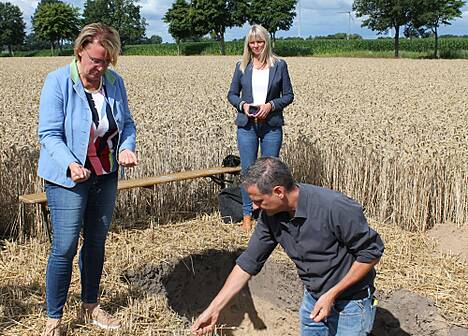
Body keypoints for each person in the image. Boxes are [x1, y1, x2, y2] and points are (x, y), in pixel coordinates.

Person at [191, 157, 384, 336]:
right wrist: (214, 309)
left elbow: (371, 252)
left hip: (350, 305)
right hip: (313, 300)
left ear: (278, 192)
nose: (255, 207)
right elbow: (248, 263)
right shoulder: (270, 215)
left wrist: (332, 294)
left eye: (258, 200)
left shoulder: (334, 207)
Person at [38, 23, 137, 336]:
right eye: (96, 60)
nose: (101, 67)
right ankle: (54, 318)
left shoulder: (113, 81)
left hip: (105, 175)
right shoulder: (57, 82)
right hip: (68, 178)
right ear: (79, 50)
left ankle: (91, 305)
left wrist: (125, 148)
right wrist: (70, 163)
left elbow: (128, 125)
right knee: (65, 246)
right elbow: (49, 134)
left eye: (107, 61)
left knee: (95, 243)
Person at [227, 24, 294, 231]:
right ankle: (248, 214)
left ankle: (268, 215)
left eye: (260, 41)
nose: (256, 45)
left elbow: (288, 95)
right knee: (248, 170)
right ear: (248, 44)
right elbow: (232, 94)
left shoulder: (279, 65)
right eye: (252, 42)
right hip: (247, 126)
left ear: (267, 42)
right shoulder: (241, 66)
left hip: (271, 127)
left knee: (269, 172)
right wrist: (243, 105)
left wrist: (270, 106)